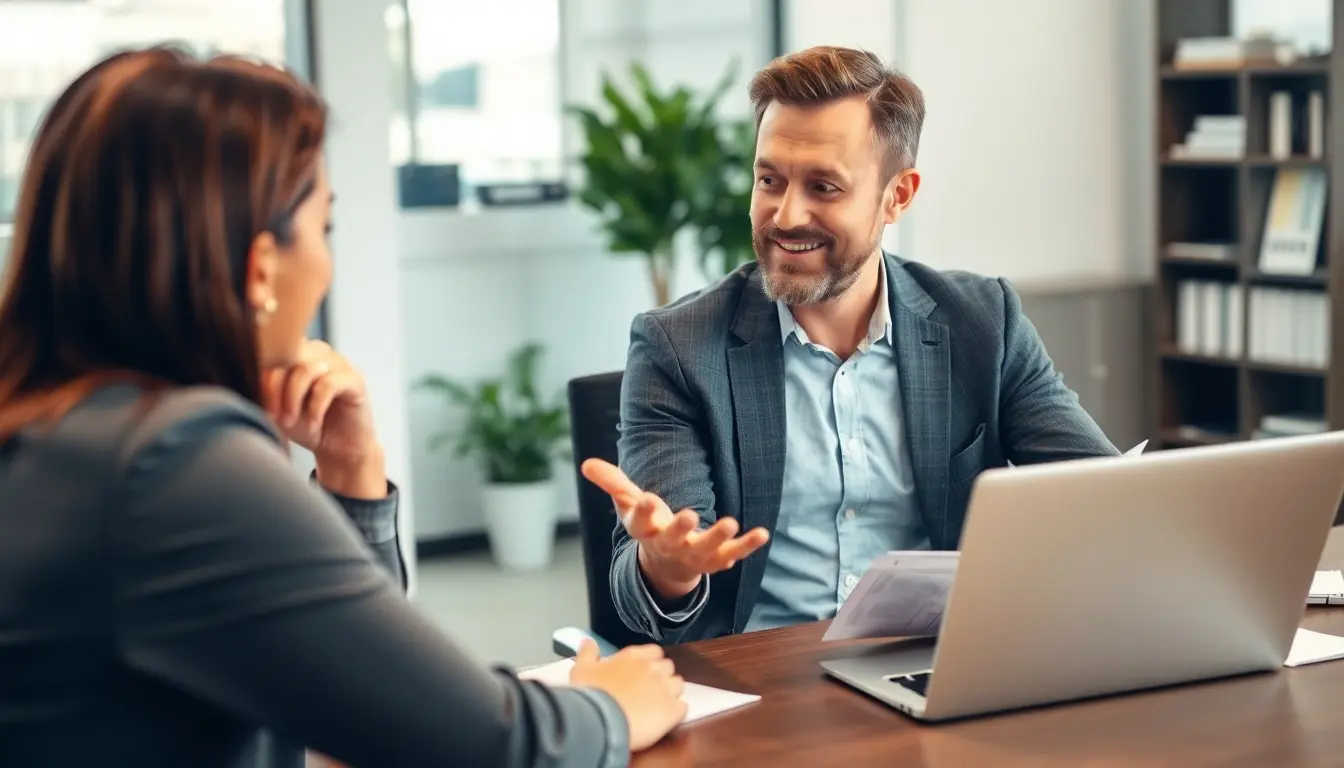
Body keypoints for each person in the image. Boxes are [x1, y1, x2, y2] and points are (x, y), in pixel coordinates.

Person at [0, 47, 686, 768]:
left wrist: (350, 466)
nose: (326, 264)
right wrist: (613, 703)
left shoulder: (59, 434)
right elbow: (478, 741)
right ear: (260, 266)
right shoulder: (173, 464)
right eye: (324, 228)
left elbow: (356, 688)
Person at [582, 46, 1119, 646]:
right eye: (769, 180)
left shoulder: (984, 322)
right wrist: (668, 566)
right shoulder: (678, 347)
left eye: (823, 187)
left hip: (939, 664)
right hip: (762, 687)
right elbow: (649, 580)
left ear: (898, 195)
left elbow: (1104, 494)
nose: (786, 215)